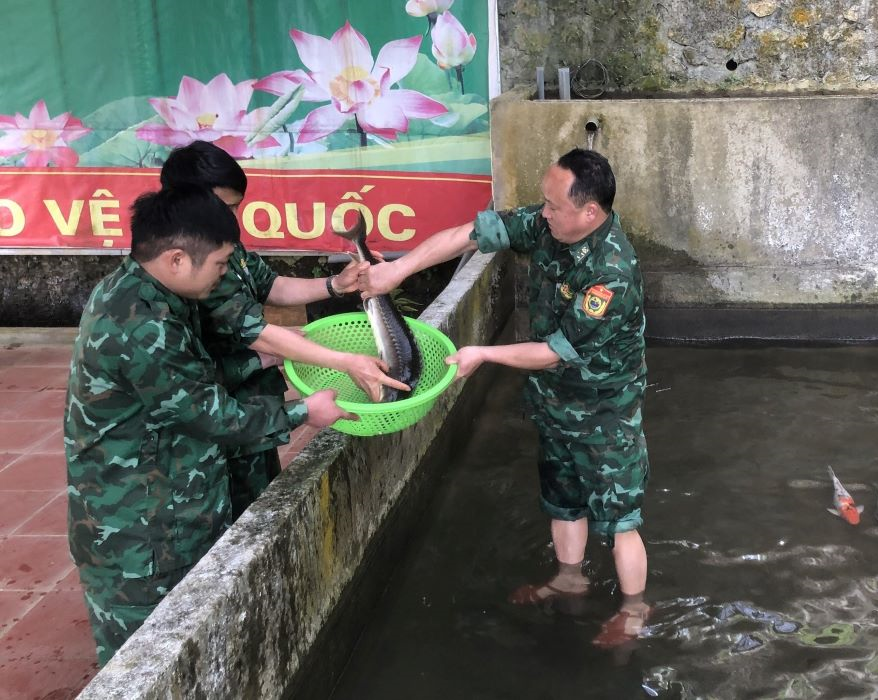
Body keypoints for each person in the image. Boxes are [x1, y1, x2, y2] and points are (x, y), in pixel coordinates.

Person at [358, 148, 650, 647]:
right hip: (553, 402)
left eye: (554, 205)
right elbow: (468, 235)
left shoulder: (611, 272)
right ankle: (569, 578)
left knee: (620, 518)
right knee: (562, 499)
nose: (544, 212)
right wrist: (397, 271)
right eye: (544, 201)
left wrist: (482, 354)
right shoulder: (547, 224)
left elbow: (554, 353)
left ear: (590, 213)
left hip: (605, 410)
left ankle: (635, 611)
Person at [64, 185, 353, 666]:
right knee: (148, 662)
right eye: (219, 265)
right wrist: (307, 411)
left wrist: (259, 358)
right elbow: (215, 417)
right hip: (140, 536)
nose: (224, 275)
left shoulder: (141, 291)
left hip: (167, 507)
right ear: (177, 259)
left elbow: (182, 383)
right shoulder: (143, 324)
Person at [160, 140, 408, 516]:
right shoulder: (187, 263)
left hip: (248, 400)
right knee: (222, 514)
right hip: (211, 414)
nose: (234, 219)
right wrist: (346, 362)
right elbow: (256, 331)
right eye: (227, 208)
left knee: (256, 501)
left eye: (236, 208)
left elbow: (271, 286)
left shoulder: (224, 244)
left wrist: (335, 286)